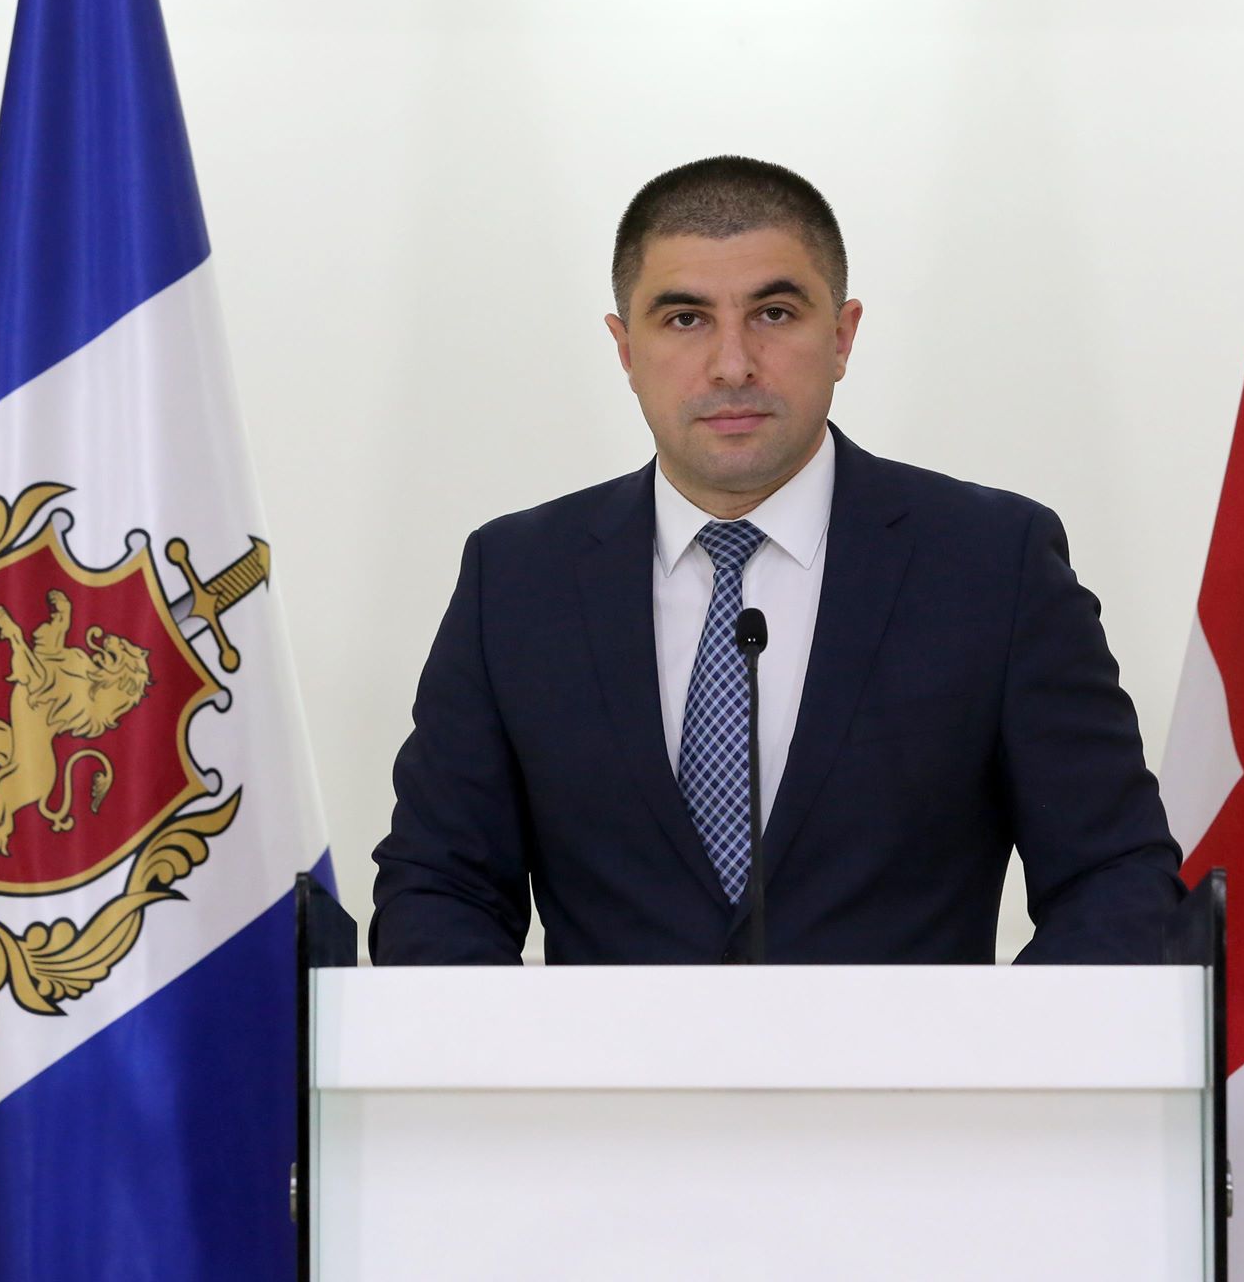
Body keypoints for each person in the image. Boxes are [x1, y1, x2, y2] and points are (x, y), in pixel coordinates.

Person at [370, 155, 1182, 965]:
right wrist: (525, 1047)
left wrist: (988, 1042)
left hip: (911, 1055)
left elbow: (1115, 876)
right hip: (602, 1056)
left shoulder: (992, 565)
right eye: (684, 319)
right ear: (624, 349)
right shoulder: (518, 579)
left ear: (842, 336)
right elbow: (440, 889)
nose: (733, 364)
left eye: (775, 313)